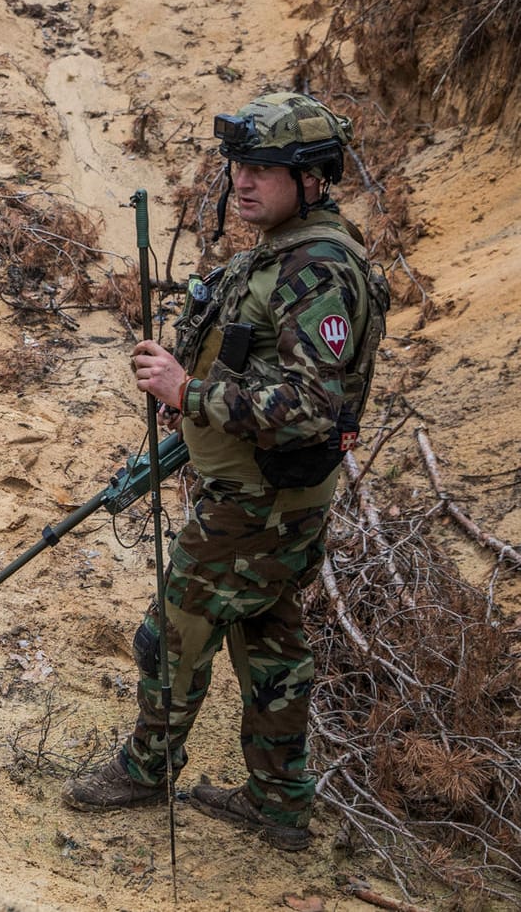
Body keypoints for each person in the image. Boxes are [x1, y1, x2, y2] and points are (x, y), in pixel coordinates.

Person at [62, 91, 390, 852]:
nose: (243, 182)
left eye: (265, 170)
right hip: (269, 492)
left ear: (311, 178)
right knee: (268, 642)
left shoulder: (317, 269)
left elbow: (313, 403)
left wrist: (189, 391)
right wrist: (198, 399)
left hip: (259, 499)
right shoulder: (285, 248)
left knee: (168, 635)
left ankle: (146, 768)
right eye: (239, 167)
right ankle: (278, 803)